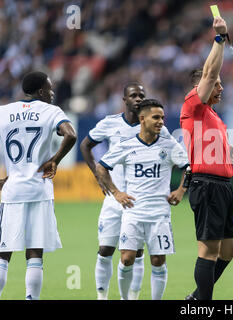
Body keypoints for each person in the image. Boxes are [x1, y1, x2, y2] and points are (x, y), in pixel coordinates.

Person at [80, 83, 174, 300]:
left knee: (135, 253)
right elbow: (86, 145)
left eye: (142, 95)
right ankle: (101, 296)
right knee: (105, 249)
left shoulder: (156, 127)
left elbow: (174, 154)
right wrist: (97, 176)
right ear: (124, 99)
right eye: (133, 95)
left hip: (140, 202)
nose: (138, 98)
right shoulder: (110, 124)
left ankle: (132, 297)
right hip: (115, 198)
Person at [96, 98, 189, 300]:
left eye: (162, 118)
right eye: (156, 117)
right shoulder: (127, 145)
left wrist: (181, 191)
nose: (161, 122)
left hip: (159, 214)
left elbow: (188, 168)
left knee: (157, 260)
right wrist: (116, 192)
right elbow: (101, 166)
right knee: (127, 258)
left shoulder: (169, 144)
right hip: (133, 212)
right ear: (142, 119)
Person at [0, 71, 77, 299]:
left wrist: (7, 174)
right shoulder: (51, 111)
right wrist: (54, 160)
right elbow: (70, 135)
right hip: (39, 189)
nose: (52, 93)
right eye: (50, 89)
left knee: (3, 254)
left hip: (12, 191)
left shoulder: (4, 111)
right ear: (42, 91)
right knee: (35, 254)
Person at [180, 16, 233, 300]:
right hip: (207, 186)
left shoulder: (214, 116)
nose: (221, 88)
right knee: (209, 250)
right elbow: (208, 73)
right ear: (201, 88)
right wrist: (220, 39)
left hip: (222, 187)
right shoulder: (193, 106)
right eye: (217, 84)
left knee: (229, 249)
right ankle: (202, 303)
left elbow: (211, 150)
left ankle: (196, 297)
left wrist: (229, 155)